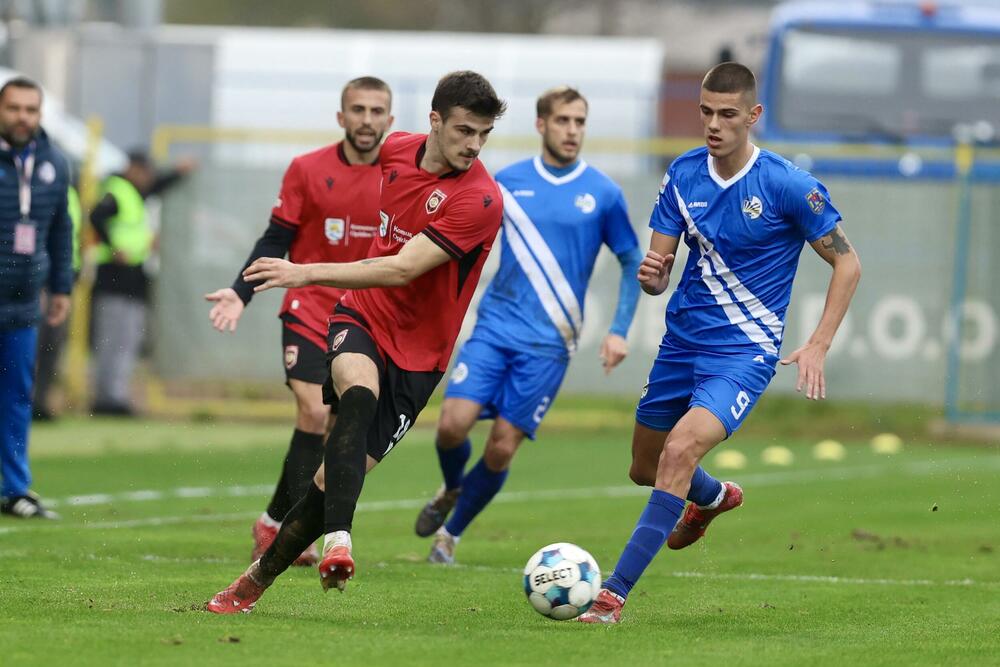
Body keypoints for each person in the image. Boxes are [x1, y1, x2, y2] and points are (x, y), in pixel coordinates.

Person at [206, 70, 506, 614]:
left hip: (420, 356)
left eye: (483, 134)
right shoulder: (395, 149)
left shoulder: (481, 199)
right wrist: (255, 285)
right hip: (362, 316)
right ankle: (340, 540)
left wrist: (305, 272)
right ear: (434, 121)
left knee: (327, 483)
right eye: (464, 130)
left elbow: (401, 269)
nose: (474, 145)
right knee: (355, 397)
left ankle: (249, 585)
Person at [578, 62, 861, 624]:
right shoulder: (682, 175)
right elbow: (659, 273)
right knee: (645, 467)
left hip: (744, 353)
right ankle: (711, 498)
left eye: (727, 114)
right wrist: (652, 276)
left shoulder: (787, 184)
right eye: (706, 111)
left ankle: (612, 595)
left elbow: (847, 263)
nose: (713, 124)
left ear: (752, 116)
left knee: (680, 452)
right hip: (682, 343)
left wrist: (819, 343)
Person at [414, 86, 642, 564]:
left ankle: (448, 537)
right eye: (563, 121)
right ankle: (453, 486)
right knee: (451, 426)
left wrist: (619, 328)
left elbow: (629, 260)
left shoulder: (603, 193)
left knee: (499, 450)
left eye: (580, 122)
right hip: (495, 328)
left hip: (549, 343)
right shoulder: (504, 182)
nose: (572, 131)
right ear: (542, 125)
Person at [204, 76, 394, 567]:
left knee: (338, 431)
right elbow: (275, 237)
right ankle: (290, 531)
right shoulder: (308, 170)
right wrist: (241, 292)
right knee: (311, 412)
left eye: (377, 111)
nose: (367, 120)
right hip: (309, 310)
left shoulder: (401, 177)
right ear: (341, 117)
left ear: (390, 121)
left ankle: (272, 522)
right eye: (358, 109)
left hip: (364, 317)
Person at [0, 76, 72, 519]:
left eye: (31, 109)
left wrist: (61, 285)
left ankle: (15, 489)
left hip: (24, 303)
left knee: (17, 396)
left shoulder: (54, 163)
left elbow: (61, 228)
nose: (23, 117)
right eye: (14, 108)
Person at [89, 150, 195, 416]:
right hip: (113, 279)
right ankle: (106, 399)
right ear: (133, 169)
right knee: (112, 341)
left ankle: (116, 395)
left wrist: (178, 172)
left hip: (133, 280)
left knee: (128, 339)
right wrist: (114, 248)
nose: (148, 177)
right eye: (145, 171)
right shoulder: (117, 190)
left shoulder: (135, 193)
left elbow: (158, 185)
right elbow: (96, 217)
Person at [32, 182, 82, 421]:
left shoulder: (68, 191)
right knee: (29, 344)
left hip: (61, 279)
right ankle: (22, 401)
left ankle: (40, 402)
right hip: (36, 278)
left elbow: (68, 237)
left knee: (51, 344)